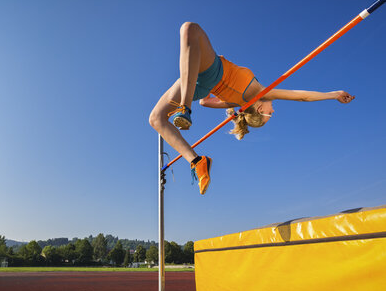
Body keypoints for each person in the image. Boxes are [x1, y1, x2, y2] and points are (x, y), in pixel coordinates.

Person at [149, 22, 355, 195]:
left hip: (210, 72)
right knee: (156, 119)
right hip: (199, 84)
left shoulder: (261, 94)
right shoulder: (236, 104)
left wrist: (334, 94)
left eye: (269, 115)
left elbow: (302, 96)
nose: (273, 111)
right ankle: (197, 161)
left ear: (258, 108)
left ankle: (184, 107)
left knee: (189, 29)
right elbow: (204, 101)